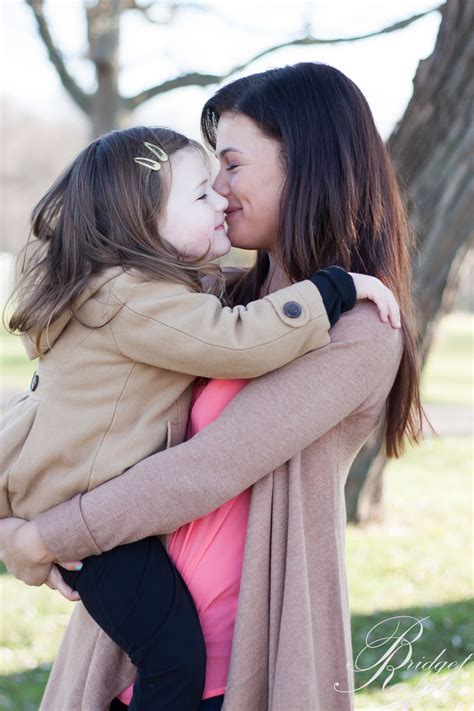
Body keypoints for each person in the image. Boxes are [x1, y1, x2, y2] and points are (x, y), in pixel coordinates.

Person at [0, 63, 422, 711]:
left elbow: (206, 466)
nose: (218, 191)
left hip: (231, 666)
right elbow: (56, 411)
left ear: (308, 164)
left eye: (230, 165)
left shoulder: (362, 329)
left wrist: (44, 537)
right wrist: (13, 526)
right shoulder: (212, 303)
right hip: (128, 641)